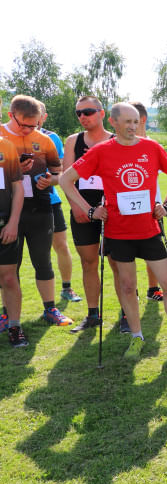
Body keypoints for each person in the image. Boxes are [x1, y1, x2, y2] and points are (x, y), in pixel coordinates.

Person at [60, 103, 167, 360]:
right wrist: (90, 210)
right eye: (126, 121)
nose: (132, 126)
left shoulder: (151, 147)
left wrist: (166, 205)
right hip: (118, 232)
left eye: (135, 121)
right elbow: (65, 180)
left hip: (149, 230)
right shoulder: (101, 151)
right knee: (127, 286)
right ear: (114, 123)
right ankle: (137, 337)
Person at [0, 95, 73, 327]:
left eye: (35, 125)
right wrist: (13, 170)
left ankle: (50, 309)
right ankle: (7, 314)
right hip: (6, 210)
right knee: (9, 267)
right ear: (11, 116)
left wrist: (48, 181)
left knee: (43, 260)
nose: (30, 130)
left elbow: (59, 174)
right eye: (25, 125)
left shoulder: (45, 140)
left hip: (40, 209)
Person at [62, 96, 126, 334]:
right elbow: (67, 177)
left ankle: (127, 313)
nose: (82, 117)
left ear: (101, 113)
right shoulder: (73, 141)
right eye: (78, 113)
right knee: (88, 262)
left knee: (118, 263)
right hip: (83, 209)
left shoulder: (116, 140)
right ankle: (92, 314)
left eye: (87, 111)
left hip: (113, 211)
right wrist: (77, 207)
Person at [37, 102, 81, 303]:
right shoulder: (8, 136)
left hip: (50, 200)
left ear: (43, 117)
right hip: (16, 203)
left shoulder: (51, 137)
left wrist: (48, 180)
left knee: (61, 246)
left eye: (37, 115)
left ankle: (67, 288)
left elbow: (61, 174)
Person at [130, 101, 164, 303]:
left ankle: (153, 288)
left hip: (152, 208)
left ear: (142, 120)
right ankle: (130, 293)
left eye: (133, 120)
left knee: (153, 251)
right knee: (126, 254)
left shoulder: (152, 146)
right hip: (125, 207)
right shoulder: (120, 144)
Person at [0, 135, 26, 346]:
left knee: (9, 278)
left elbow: (18, 187)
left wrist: (13, 222)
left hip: (4, 225)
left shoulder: (6, 146)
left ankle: (15, 326)